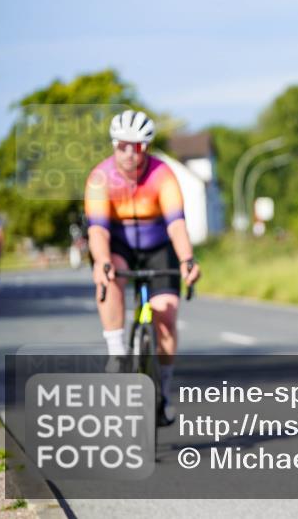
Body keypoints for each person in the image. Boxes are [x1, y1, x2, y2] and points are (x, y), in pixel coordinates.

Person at [84, 110, 201, 424]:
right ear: (114, 145)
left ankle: (163, 388)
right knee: (109, 278)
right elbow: (97, 230)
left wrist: (187, 260)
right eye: (121, 145)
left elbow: (176, 225)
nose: (127, 153)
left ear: (145, 148)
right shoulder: (100, 178)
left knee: (166, 312)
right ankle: (116, 351)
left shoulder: (163, 175)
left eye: (134, 147)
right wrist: (102, 261)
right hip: (118, 244)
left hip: (157, 246)